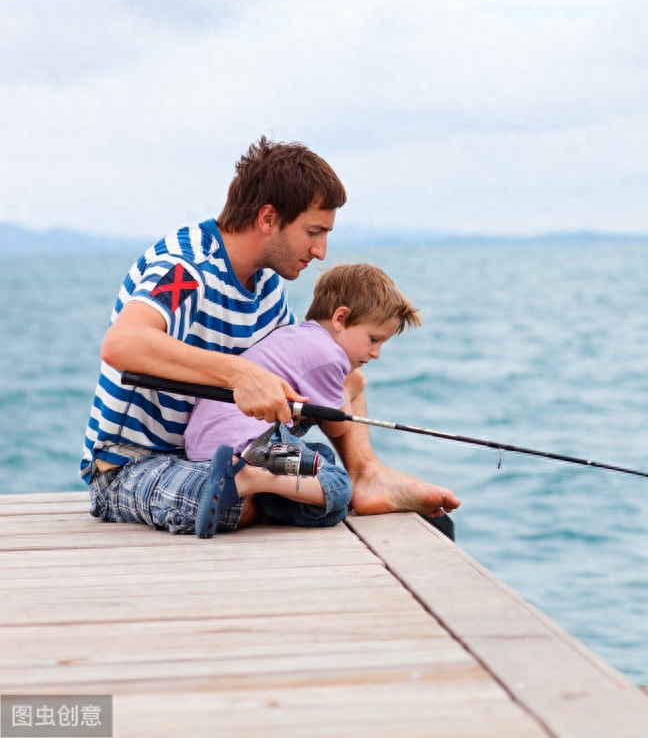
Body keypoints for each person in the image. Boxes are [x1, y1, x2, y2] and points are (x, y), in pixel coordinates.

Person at [82, 136, 460, 534]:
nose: (321, 252)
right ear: (267, 218)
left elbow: (315, 364)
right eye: (313, 232)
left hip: (228, 450)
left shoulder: (266, 286)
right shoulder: (184, 267)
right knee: (231, 502)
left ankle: (365, 474)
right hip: (131, 463)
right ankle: (268, 486)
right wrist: (237, 374)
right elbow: (122, 343)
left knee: (343, 376)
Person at [182, 263, 421, 536]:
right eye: (374, 339)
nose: (376, 353)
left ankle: (261, 490)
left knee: (324, 468)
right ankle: (246, 477)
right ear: (340, 319)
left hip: (206, 444)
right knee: (340, 486)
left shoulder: (297, 334)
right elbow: (338, 427)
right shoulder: (330, 356)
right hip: (248, 443)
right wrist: (349, 387)